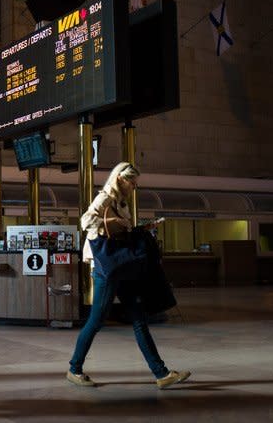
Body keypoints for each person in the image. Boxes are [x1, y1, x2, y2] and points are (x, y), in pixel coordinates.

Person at [67, 161, 190, 389]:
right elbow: (85, 221)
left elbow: (122, 232)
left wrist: (140, 228)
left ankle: (161, 374)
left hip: (121, 265)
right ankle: (74, 369)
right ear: (121, 180)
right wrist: (114, 221)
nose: (134, 186)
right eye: (132, 182)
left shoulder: (121, 202)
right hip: (106, 269)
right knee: (96, 321)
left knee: (139, 320)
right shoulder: (105, 197)